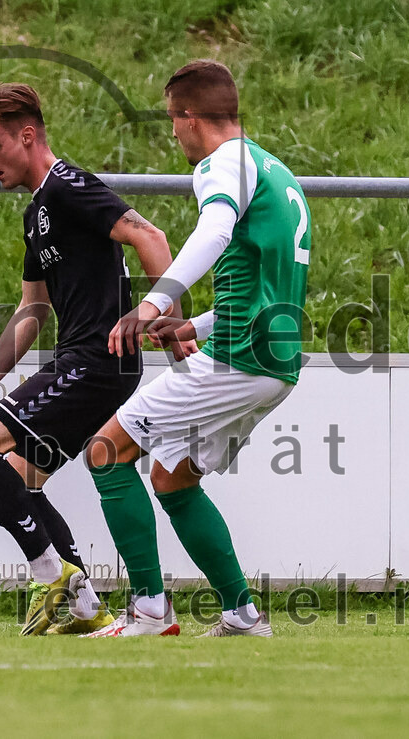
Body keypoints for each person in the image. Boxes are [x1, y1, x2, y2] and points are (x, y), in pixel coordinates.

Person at [0, 82, 193, 636]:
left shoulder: (68, 186)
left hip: (98, 361)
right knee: (15, 477)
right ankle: (84, 606)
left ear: (27, 136)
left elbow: (150, 236)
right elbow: (33, 310)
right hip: (85, 360)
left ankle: (50, 574)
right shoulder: (37, 212)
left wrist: (170, 317)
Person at [83, 60, 311, 637]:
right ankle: (241, 612)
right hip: (273, 359)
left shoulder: (221, 163)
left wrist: (156, 304)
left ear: (189, 117)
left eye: (171, 120)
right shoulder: (272, 168)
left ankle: (150, 610)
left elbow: (213, 232)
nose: (173, 133)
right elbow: (265, 282)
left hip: (241, 359)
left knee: (108, 452)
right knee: (174, 477)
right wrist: (200, 326)